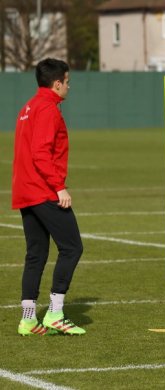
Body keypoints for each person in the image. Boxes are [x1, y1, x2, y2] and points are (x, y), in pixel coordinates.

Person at [12, 58, 85, 336]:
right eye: (67, 82)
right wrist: (59, 187)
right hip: (42, 190)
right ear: (57, 83)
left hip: (25, 190)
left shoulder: (28, 107)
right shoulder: (47, 109)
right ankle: (55, 313)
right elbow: (40, 153)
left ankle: (28, 319)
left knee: (36, 254)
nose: (68, 86)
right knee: (72, 247)